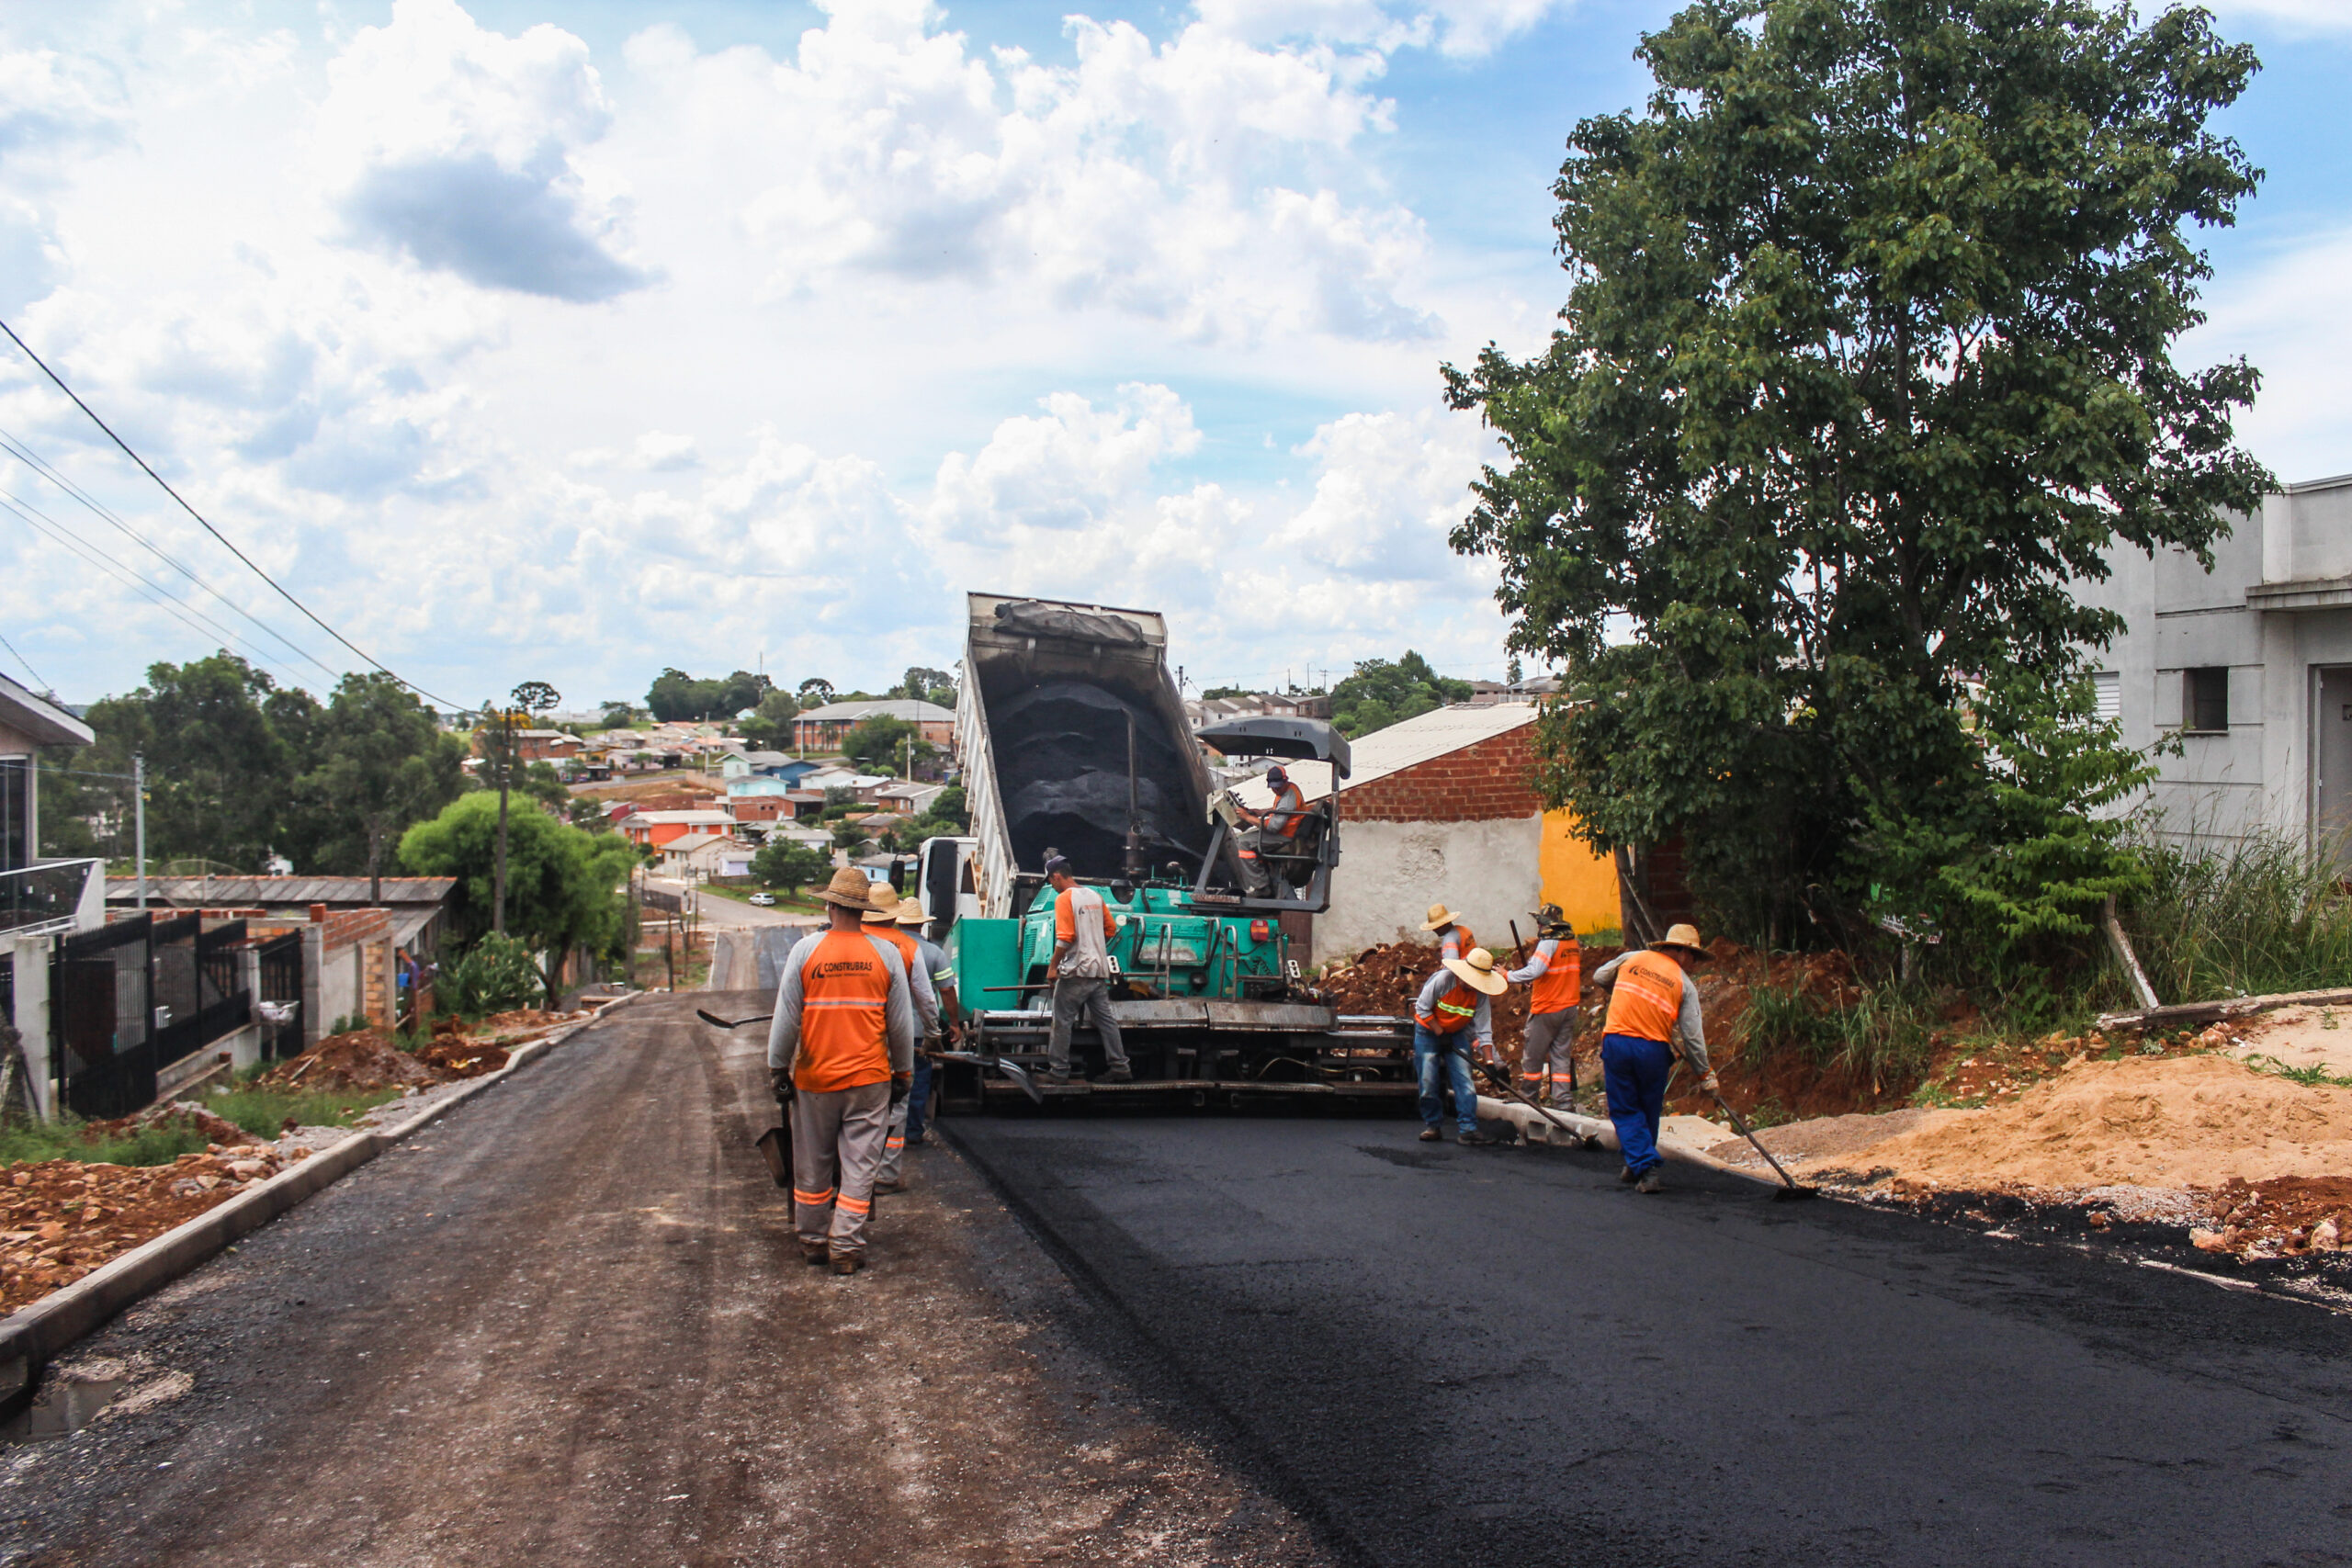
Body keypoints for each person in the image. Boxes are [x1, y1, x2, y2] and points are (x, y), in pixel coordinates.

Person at [765, 867, 917, 1274]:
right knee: (860, 1165)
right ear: (864, 912)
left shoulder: (805, 951)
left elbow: (786, 1020)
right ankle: (846, 1246)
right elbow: (901, 1027)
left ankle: (813, 1240)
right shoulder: (884, 954)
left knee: (812, 1163)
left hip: (815, 1080)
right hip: (869, 1079)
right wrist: (904, 1073)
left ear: (831, 906)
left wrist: (778, 1067)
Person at [1589, 922, 1715, 1194]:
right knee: (1647, 1109)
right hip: (1653, 1051)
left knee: (1625, 1109)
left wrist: (1625, 992)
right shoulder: (1684, 984)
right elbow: (1693, 1038)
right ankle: (1641, 1164)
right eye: (1693, 957)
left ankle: (1641, 1165)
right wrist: (1706, 1075)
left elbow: (1600, 977)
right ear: (1682, 952)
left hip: (1618, 1043)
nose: (1693, 964)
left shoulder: (1632, 958)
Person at [874, 896, 957, 1191]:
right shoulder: (929, 952)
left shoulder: (873, 945)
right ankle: (911, 1131)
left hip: (874, 1033)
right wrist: (949, 1027)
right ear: (922, 923)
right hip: (915, 1030)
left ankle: (873, 1144)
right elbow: (941, 994)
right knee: (915, 1081)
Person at [1044, 855, 1134, 1084]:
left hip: (1075, 972)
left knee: (1062, 1021)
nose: (1052, 886)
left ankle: (1059, 1072)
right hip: (1098, 971)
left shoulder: (1064, 899)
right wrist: (1092, 944)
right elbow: (1111, 929)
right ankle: (1120, 1066)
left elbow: (1065, 938)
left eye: (1051, 881)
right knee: (1106, 1022)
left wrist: (1053, 968)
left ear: (1057, 876)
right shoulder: (1094, 895)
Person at [1410, 945, 1506, 1145]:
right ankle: (1433, 1125)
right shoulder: (1443, 981)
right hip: (1428, 1031)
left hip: (1456, 1034)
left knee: (1465, 1082)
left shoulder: (1480, 995)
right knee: (1428, 1081)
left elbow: (1483, 1030)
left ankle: (1468, 1129)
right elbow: (1421, 1007)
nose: (1471, 985)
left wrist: (1490, 1063)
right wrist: (1439, 1031)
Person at [1508, 904, 1582, 1108]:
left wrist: (1507, 976)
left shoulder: (1548, 943)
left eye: (1539, 922)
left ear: (1544, 924)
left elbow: (1535, 970)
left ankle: (1528, 1096)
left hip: (1548, 1008)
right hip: (1569, 1007)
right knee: (1560, 1057)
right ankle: (1563, 1101)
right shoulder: (1572, 943)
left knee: (1533, 1055)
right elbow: (1557, 971)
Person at [1233, 765, 1309, 897]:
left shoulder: (1288, 797)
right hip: (1285, 832)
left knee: (1243, 844)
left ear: (1285, 781)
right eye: (1273, 787)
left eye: (1278, 786)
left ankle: (1261, 887)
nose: (1276, 789)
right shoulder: (1286, 791)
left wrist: (1247, 817)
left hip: (1286, 836)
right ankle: (1265, 879)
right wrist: (1260, 812)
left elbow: (1274, 826)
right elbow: (1279, 812)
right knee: (1248, 840)